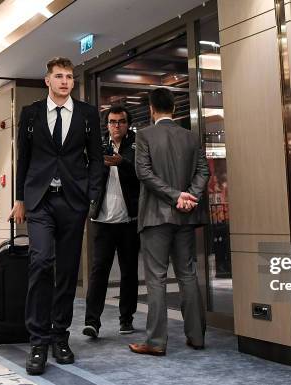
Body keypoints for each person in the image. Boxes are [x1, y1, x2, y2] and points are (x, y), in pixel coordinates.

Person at [9, 57, 102, 375]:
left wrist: (92, 197)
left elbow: (96, 160)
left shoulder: (88, 115)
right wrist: (20, 197)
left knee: (67, 271)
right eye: (59, 76)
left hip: (73, 202)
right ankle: (38, 340)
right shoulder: (31, 114)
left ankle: (59, 336)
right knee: (41, 262)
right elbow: (24, 157)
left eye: (69, 77)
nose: (65, 81)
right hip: (40, 201)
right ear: (47, 80)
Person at [128, 87, 209, 356]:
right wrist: (190, 197)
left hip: (155, 217)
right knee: (187, 275)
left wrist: (175, 197)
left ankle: (155, 342)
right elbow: (203, 171)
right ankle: (196, 336)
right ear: (173, 108)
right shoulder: (190, 136)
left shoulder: (145, 134)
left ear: (151, 109)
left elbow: (144, 173)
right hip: (185, 217)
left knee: (156, 279)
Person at [84, 105, 140, 338]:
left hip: (129, 221)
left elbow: (143, 174)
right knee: (99, 272)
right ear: (106, 124)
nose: (116, 126)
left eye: (121, 122)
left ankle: (126, 319)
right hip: (103, 220)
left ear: (128, 124)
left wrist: (122, 163)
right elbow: (87, 174)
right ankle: (92, 321)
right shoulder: (98, 146)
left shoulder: (137, 146)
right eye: (112, 122)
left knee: (129, 272)